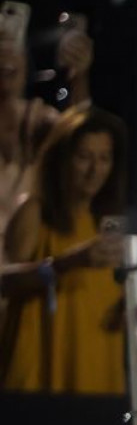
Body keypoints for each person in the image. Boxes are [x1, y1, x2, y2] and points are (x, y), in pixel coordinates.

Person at [0, 107, 128, 395]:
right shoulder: (35, 211)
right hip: (43, 361)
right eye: (84, 157)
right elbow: (5, 281)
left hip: (96, 360)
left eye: (104, 159)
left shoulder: (108, 221)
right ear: (62, 159)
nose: (95, 170)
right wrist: (66, 263)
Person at [0, 24, 94, 237]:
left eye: (14, 48)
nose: (6, 53)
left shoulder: (35, 120)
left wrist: (79, 76)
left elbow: (82, 139)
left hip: (23, 262)